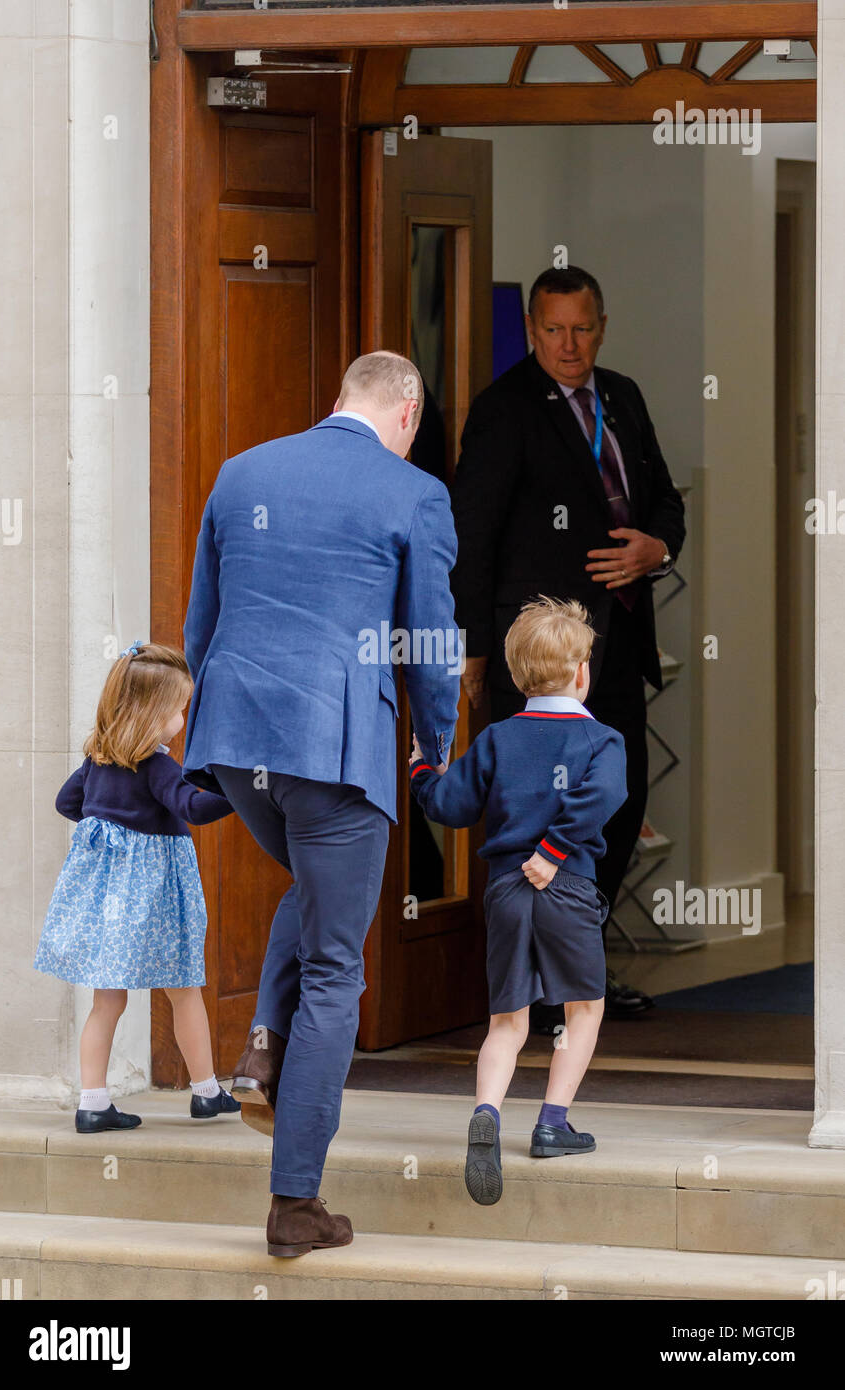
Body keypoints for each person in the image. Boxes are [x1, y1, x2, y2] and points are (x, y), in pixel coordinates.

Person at [182, 351, 460, 1258]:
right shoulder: (413, 491)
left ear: (340, 400)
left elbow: (201, 624)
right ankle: (295, 1203)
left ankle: (265, 1042)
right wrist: (434, 736)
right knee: (339, 968)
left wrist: (205, 731)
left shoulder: (242, 471)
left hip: (236, 740)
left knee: (313, 884)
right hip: (336, 748)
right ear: (408, 411)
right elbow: (429, 636)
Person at [451, 264, 685, 1022]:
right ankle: (536, 988)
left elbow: (665, 502)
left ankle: (575, 967)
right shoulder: (503, 409)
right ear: (531, 331)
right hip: (540, 656)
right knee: (537, 816)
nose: (569, 344)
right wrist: (476, 651)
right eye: (553, 329)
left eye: (582, 328)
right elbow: (472, 538)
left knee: (618, 805)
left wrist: (660, 549)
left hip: (617, 644)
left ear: (603, 326)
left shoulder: (623, 395)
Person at [410, 598, 626, 1205]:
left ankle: (487, 1110)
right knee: (583, 1008)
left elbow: (451, 805)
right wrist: (555, 851)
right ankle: (553, 1123)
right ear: (582, 672)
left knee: (508, 1018)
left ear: (514, 675)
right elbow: (601, 797)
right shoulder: (601, 739)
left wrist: (423, 773)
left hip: (505, 888)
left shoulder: (498, 738)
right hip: (569, 887)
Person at [33, 641, 238, 1133]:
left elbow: (68, 803)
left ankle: (93, 1102)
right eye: (177, 710)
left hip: (110, 899)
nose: (182, 720)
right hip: (156, 896)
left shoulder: (97, 760)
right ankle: (206, 1092)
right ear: (152, 714)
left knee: (108, 1001)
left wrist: (111, 826)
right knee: (184, 991)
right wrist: (241, 794)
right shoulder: (157, 765)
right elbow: (192, 807)